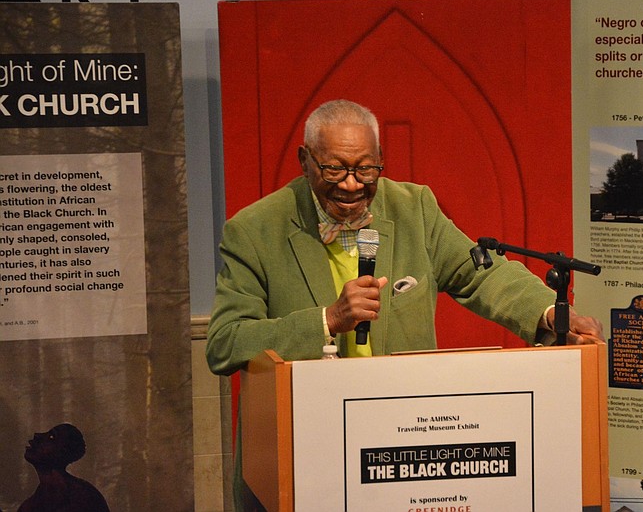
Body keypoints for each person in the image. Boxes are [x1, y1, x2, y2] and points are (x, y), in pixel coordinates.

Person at [206, 99, 603, 511]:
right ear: (304, 161)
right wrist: (327, 319)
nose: (350, 184)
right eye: (334, 169)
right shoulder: (253, 231)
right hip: (305, 459)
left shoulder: (414, 208)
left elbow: (478, 272)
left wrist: (547, 312)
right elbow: (225, 342)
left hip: (400, 455)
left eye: (365, 169)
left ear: (381, 161)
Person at [18, 423, 110, 512]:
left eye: (51, 437)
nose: (37, 435)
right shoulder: (29, 506)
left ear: (63, 452)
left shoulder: (85, 498)